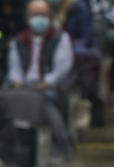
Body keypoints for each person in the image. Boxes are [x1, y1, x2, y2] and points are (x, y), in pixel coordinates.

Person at [4, 0, 75, 158]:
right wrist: (17, 81)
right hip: (22, 88)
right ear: (27, 17)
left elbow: (62, 69)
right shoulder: (19, 40)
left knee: (45, 104)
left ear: (49, 16)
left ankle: (62, 145)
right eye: (35, 15)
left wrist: (46, 82)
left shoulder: (60, 38)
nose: (39, 19)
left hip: (48, 88)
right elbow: (14, 68)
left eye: (42, 15)